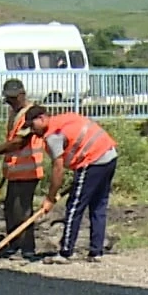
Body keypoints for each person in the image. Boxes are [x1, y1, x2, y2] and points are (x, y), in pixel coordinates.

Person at [29, 107, 119, 261]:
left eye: (32, 125)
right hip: (109, 155)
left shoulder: (53, 137)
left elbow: (58, 170)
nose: (32, 130)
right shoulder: (64, 118)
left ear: (42, 118)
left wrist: (50, 198)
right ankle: (96, 252)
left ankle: (66, 251)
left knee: (74, 207)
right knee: (98, 206)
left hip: (92, 160)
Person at [0, 84, 47, 260]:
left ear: (22, 94)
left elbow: (18, 142)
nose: (10, 101)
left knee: (22, 209)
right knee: (10, 207)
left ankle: (26, 248)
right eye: (8, 98)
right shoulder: (13, 113)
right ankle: (13, 244)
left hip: (28, 170)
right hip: (15, 169)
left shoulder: (31, 114)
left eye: (13, 97)